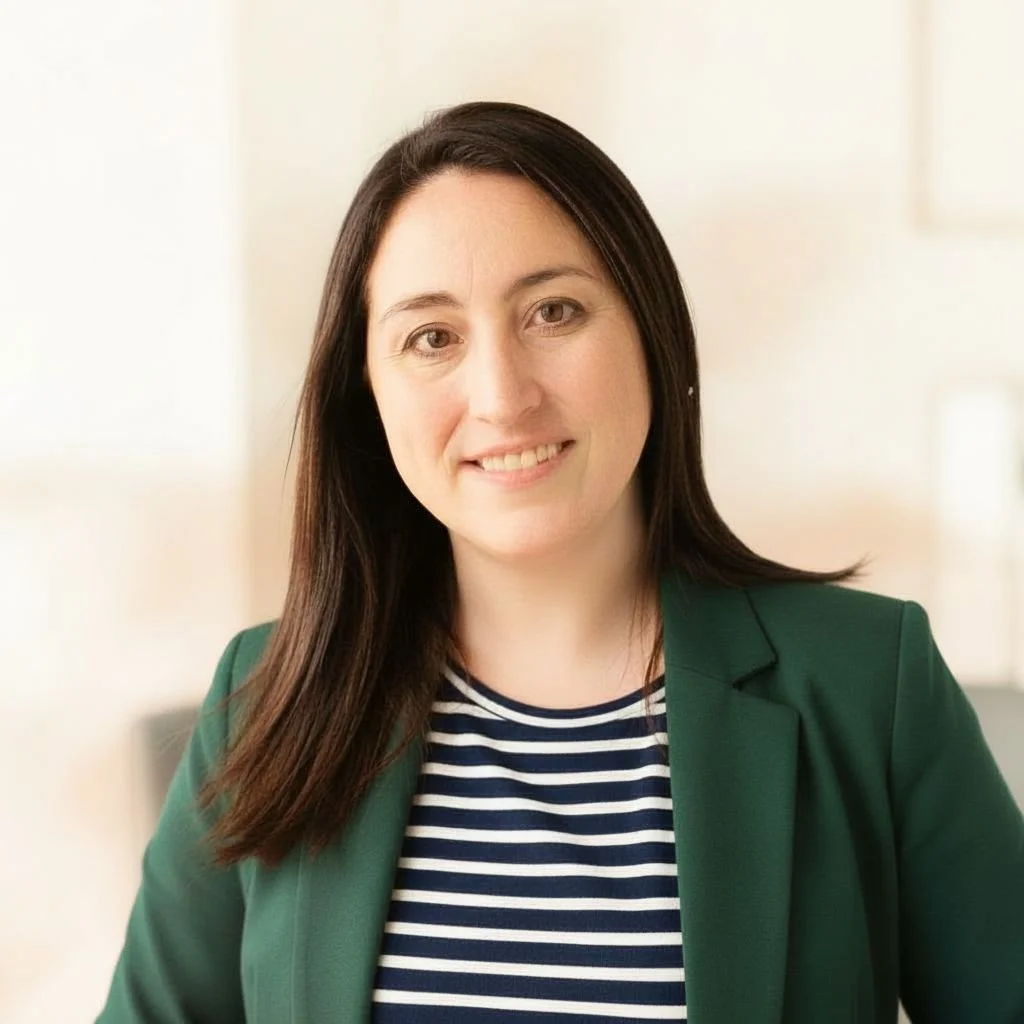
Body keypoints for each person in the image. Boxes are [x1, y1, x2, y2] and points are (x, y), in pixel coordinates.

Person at [97, 101, 1024, 1023]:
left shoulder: (869, 682)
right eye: (432, 337)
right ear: (366, 397)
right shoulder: (263, 701)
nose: (501, 396)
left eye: (554, 311)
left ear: (652, 336)